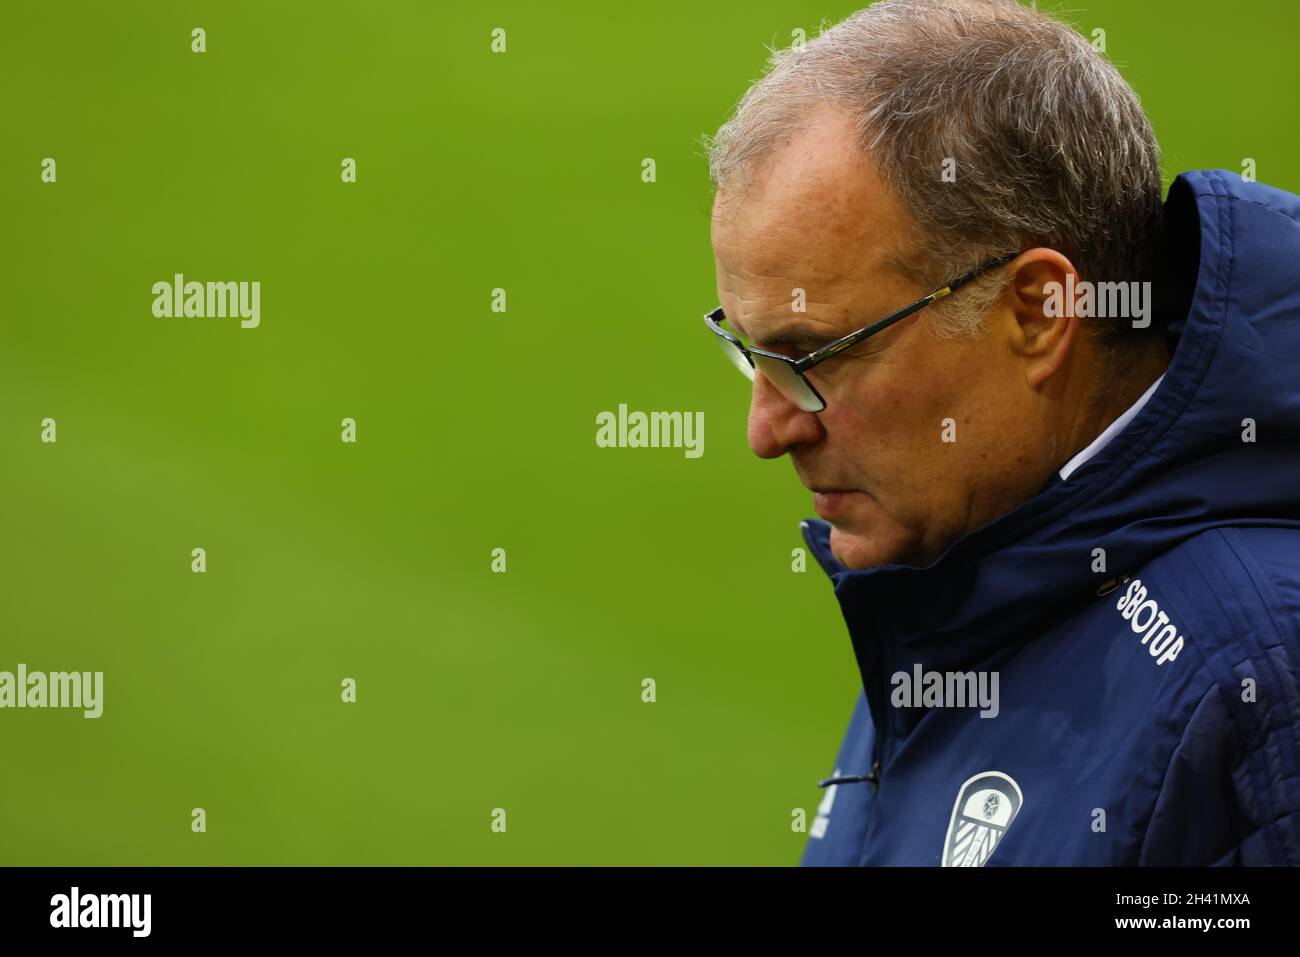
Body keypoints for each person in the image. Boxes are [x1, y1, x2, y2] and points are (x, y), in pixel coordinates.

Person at [703, 0, 1300, 865]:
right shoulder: (951, 579)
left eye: (815, 354)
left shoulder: (1257, 686)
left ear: (1038, 313)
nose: (766, 428)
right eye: (747, 349)